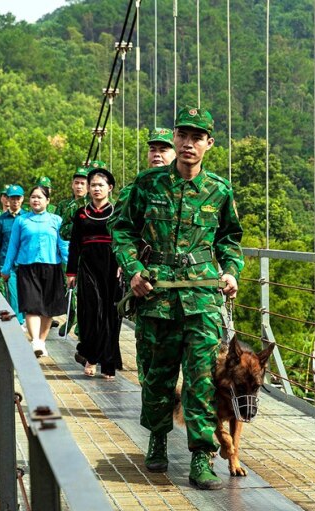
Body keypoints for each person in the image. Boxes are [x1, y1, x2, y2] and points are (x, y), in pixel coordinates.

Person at [110, 106, 243, 489]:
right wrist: (133, 269)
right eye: (183, 136)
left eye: (197, 137)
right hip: (157, 294)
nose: (188, 143)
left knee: (202, 380)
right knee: (157, 376)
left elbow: (230, 239)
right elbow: (122, 231)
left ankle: (202, 456)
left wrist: (231, 271)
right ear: (175, 139)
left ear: (208, 144)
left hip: (202, 297)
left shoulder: (219, 190)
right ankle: (157, 436)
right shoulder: (148, 184)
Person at [65, 168, 123, 380]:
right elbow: (74, 245)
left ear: (110, 188)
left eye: (101, 185)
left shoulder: (118, 212)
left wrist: (124, 264)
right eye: (93, 185)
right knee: (90, 314)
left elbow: (126, 241)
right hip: (88, 266)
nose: (96, 189)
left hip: (112, 266)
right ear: (88, 189)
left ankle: (108, 363)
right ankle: (90, 356)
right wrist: (70, 271)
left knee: (110, 314)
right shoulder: (81, 214)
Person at [0, 184, 69, 358]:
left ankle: (41, 341)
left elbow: (63, 246)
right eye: (33, 197)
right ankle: (35, 341)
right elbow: (13, 246)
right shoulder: (21, 221)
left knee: (48, 309)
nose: (36, 200)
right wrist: (6, 268)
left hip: (51, 267)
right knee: (32, 306)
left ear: (47, 200)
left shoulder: (56, 220)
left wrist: (71, 270)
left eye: (39, 197)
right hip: (27, 268)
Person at [0, 184, 26, 325]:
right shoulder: (1, 220)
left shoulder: (28, 218)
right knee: (13, 294)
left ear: (22, 199)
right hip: (8, 263)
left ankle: (24, 319)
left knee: (26, 292)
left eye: (18, 198)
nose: (15, 201)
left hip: (25, 262)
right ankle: (19, 321)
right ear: (7, 200)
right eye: (12, 198)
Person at [59, 167, 90, 240]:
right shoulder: (63, 205)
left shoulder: (93, 204)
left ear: (88, 186)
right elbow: (59, 228)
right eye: (76, 183)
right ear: (72, 185)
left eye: (82, 184)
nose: (79, 186)